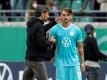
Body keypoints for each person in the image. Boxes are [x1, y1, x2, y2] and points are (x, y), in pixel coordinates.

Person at [22, 5, 59, 80]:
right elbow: (41, 43)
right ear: (42, 14)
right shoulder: (38, 26)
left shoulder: (32, 24)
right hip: (37, 60)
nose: (48, 16)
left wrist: (54, 22)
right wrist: (50, 42)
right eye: (47, 14)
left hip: (29, 59)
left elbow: (42, 29)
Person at [49, 8, 85, 80]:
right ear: (60, 16)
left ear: (71, 16)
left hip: (74, 64)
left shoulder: (77, 30)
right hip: (60, 64)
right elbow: (50, 47)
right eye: (64, 15)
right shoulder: (54, 30)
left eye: (68, 15)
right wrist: (51, 43)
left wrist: (82, 63)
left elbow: (80, 48)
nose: (66, 17)